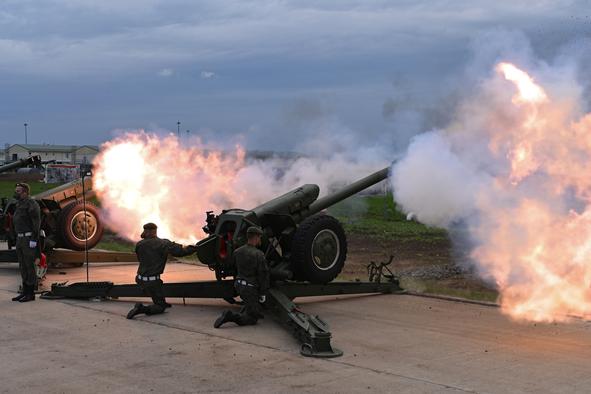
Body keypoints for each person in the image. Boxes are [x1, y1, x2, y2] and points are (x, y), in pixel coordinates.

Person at [126, 222, 196, 319]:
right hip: (152, 282)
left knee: (157, 287)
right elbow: (180, 252)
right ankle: (141, 309)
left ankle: (160, 300)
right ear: (155, 231)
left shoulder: (139, 244)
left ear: (145, 231)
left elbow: (140, 259)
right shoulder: (163, 243)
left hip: (139, 279)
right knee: (160, 307)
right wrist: (194, 248)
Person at [214, 226, 270, 328]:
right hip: (250, 288)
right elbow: (263, 275)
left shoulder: (237, 251)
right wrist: (263, 293)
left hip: (239, 285)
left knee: (251, 304)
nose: (260, 240)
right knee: (252, 319)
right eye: (259, 237)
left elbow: (232, 267)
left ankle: (253, 309)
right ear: (256, 237)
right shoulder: (259, 254)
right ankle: (230, 316)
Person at [11, 183, 41, 303]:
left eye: (18, 191)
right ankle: (24, 292)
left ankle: (30, 293)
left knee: (29, 266)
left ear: (25, 192)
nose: (16, 194)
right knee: (22, 265)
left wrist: (34, 239)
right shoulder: (19, 204)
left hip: (28, 238)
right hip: (20, 239)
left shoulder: (31, 204)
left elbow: (36, 223)